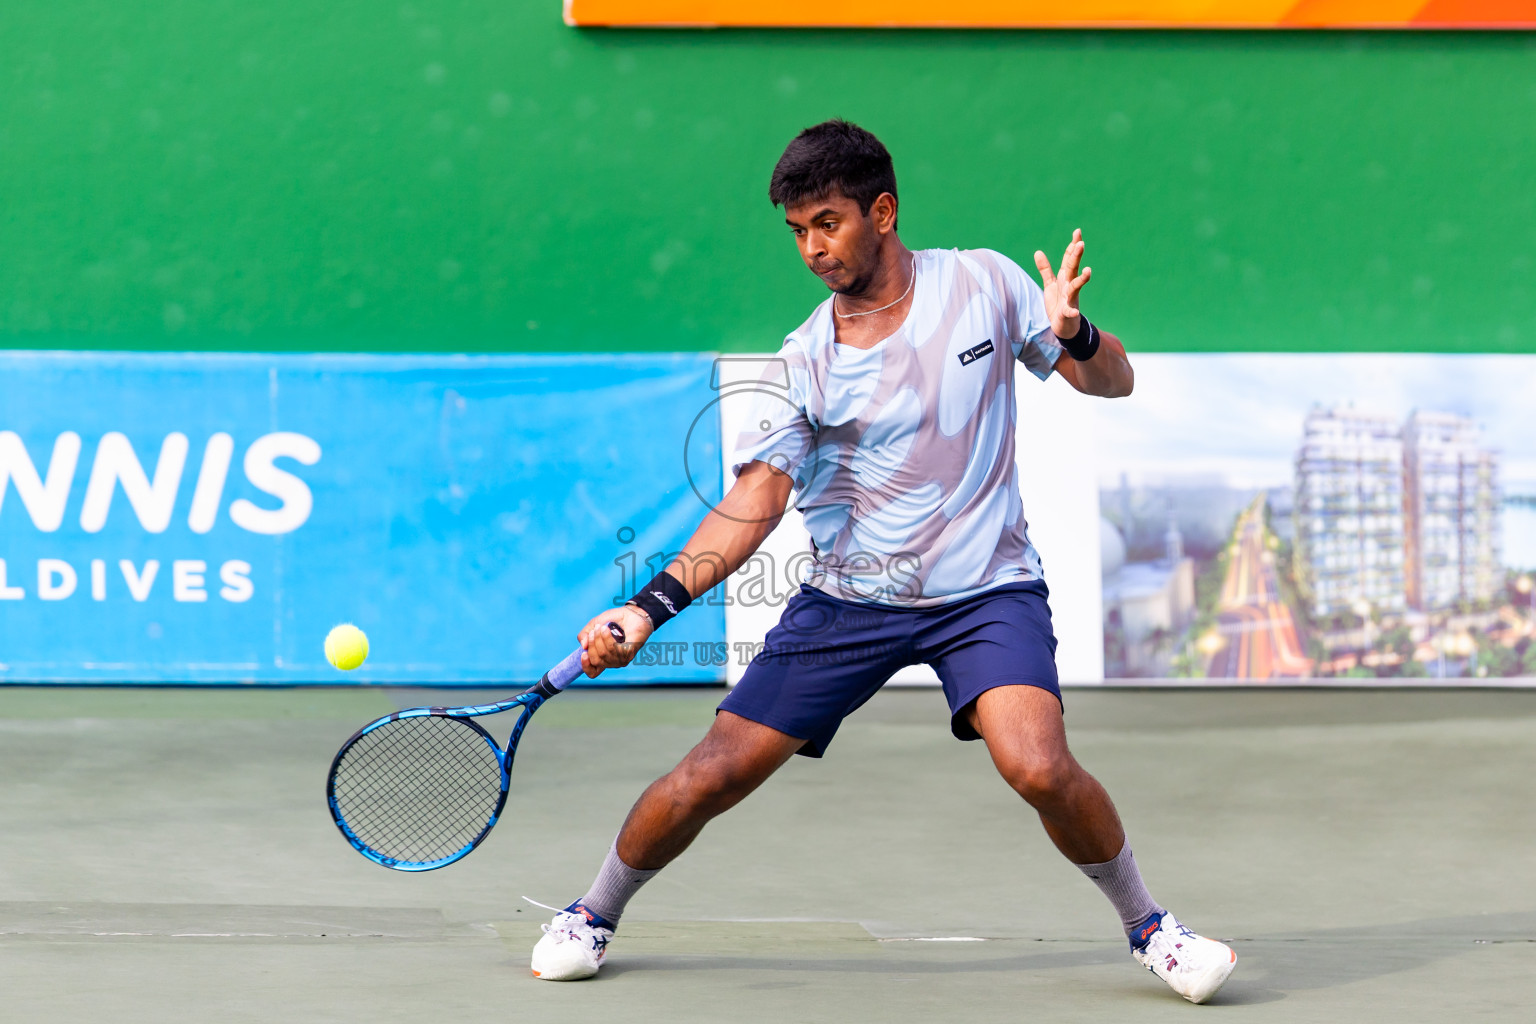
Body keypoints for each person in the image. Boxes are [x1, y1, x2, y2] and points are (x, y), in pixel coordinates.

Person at [529, 119, 1236, 1004]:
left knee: (1040, 766)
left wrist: (1078, 333)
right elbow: (756, 501)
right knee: (711, 773)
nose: (813, 248)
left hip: (987, 590)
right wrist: (651, 605)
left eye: (827, 222)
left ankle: (1152, 930)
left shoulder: (986, 283)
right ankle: (592, 913)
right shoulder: (805, 360)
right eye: (796, 232)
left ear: (884, 211)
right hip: (850, 600)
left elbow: (1114, 382)